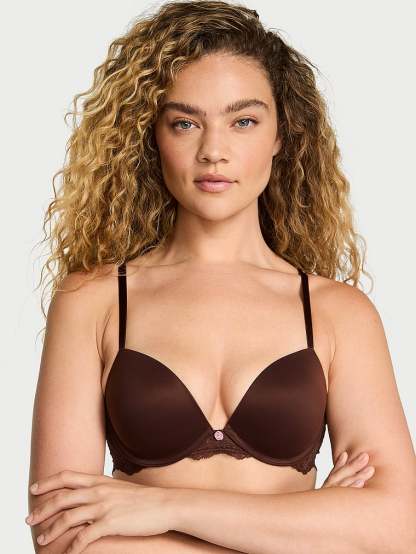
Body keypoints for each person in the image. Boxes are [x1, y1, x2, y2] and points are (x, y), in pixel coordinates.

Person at [26, 1, 416, 552]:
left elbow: (398, 528)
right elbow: (60, 535)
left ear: (281, 134)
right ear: (152, 136)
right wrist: (310, 529)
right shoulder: (94, 300)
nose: (213, 151)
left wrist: (162, 506)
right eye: (185, 123)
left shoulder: (338, 313)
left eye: (243, 121)